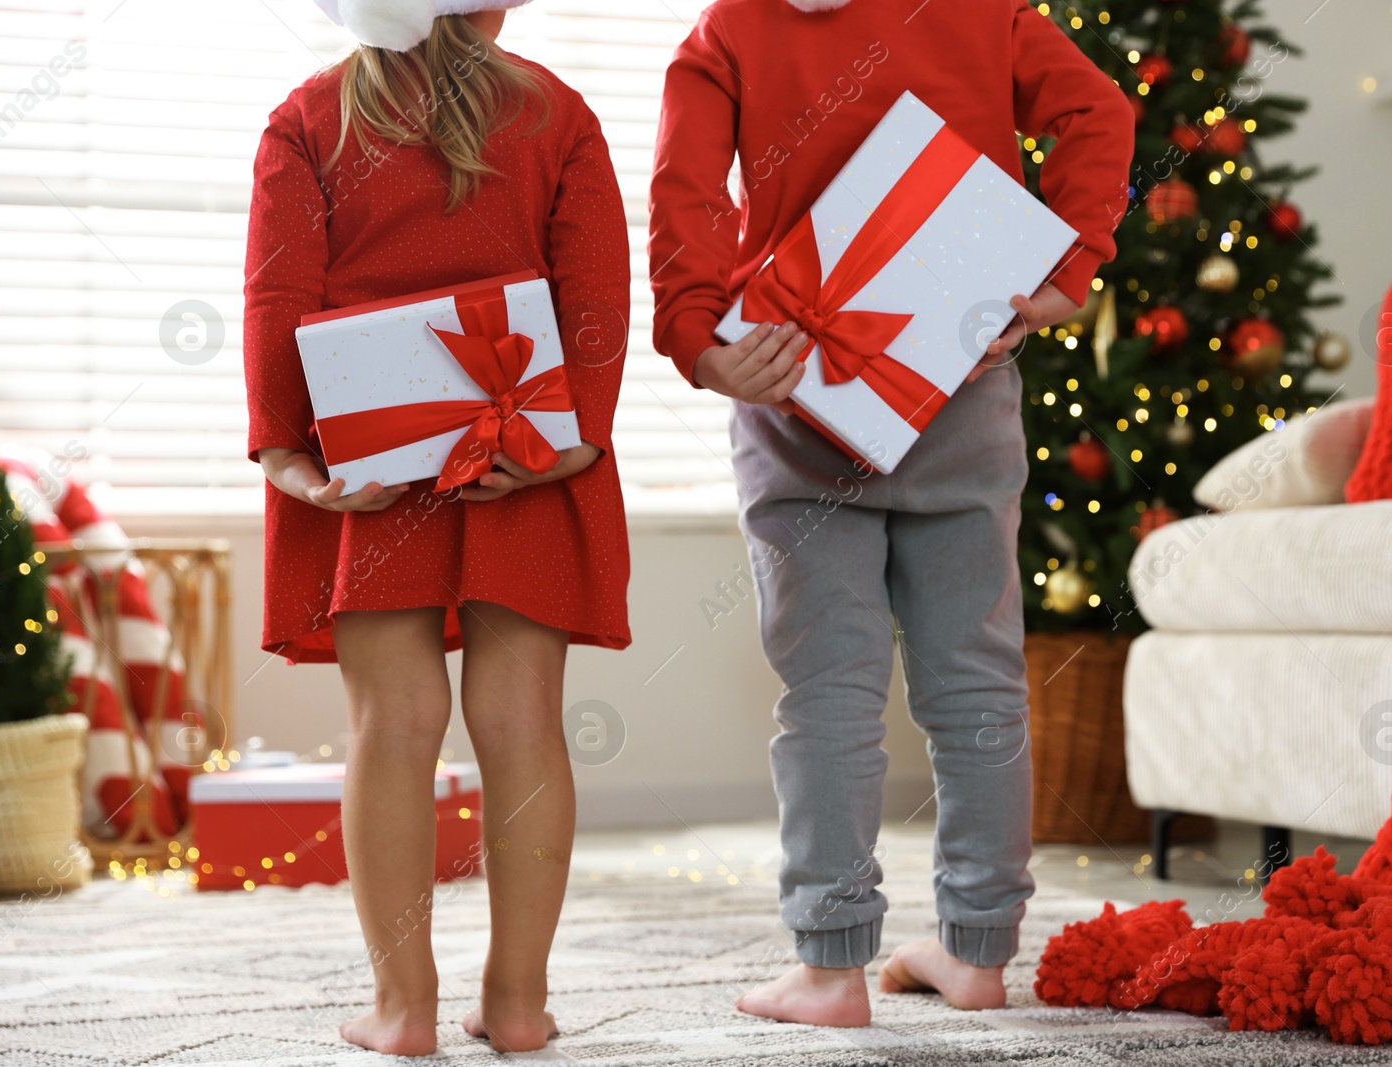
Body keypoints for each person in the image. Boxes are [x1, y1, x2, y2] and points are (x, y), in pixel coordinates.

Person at [648, 0, 1134, 1027]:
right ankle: (977, 949)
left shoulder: (730, 29)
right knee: (978, 681)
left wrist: (701, 342)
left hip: (794, 384)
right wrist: (1064, 267)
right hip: (956, 374)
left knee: (827, 691)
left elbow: (685, 197)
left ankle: (829, 968)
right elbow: (1097, 111)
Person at [242, 0, 630, 1053]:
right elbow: (593, 290)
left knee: (393, 724)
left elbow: (279, 294)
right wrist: (574, 436)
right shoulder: (560, 113)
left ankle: (402, 1007)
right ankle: (517, 1004)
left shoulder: (309, 118)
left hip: (367, 467)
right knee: (522, 722)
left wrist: (289, 454)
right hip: (524, 451)